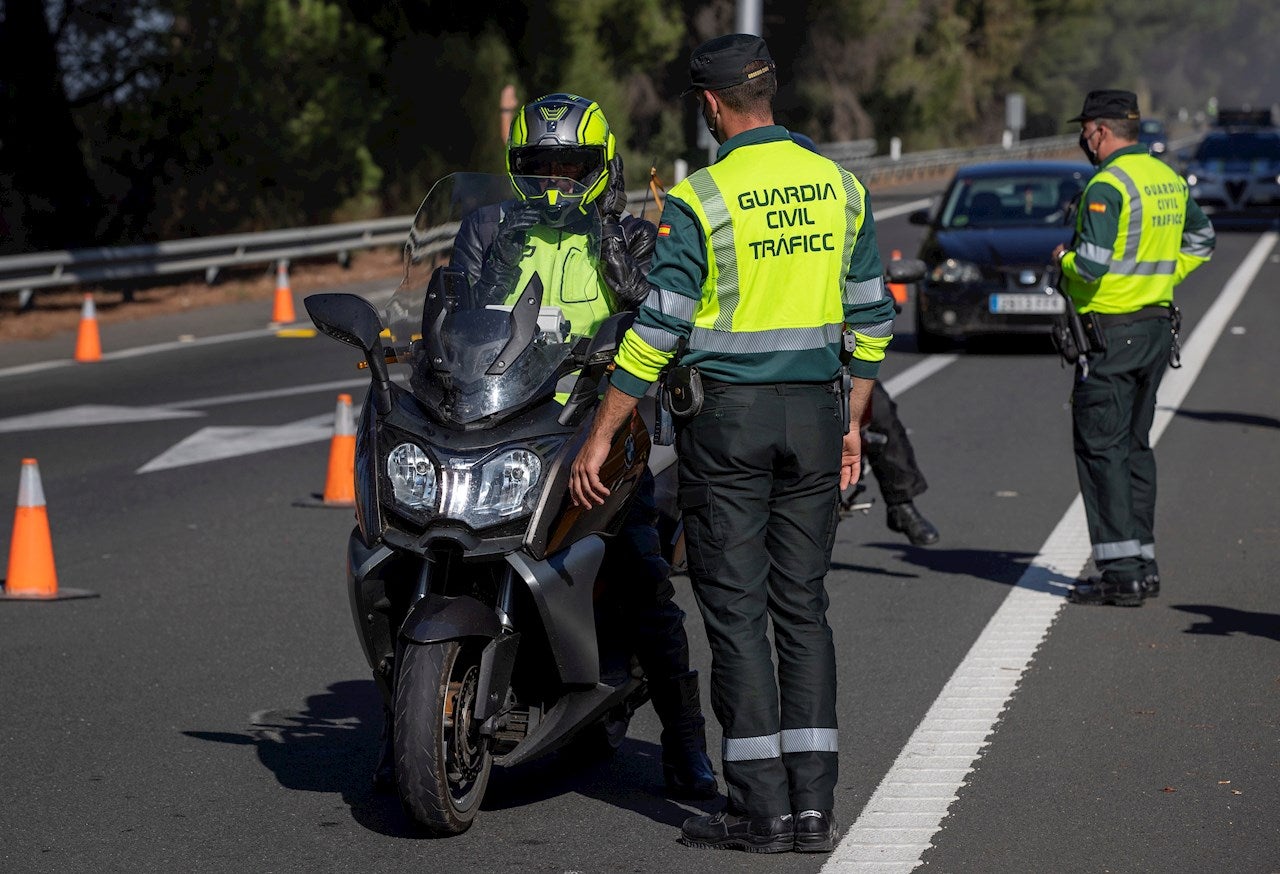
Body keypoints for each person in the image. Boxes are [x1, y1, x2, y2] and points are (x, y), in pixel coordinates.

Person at [568, 34, 896, 854]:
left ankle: (758, 809)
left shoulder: (701, 198)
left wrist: (602, 434)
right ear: (769, 94)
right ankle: (814, 809)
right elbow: (873, 321)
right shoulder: (841, 188)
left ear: (711, 106)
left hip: (729, 429)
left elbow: (656, 332)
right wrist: (853, 421)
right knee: (804, 609)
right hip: (817, 420)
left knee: (738, 613)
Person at [378, 93, 718, 801]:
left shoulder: (629, 234)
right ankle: (403, 731)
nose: (557, 180)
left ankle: (687, 746)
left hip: (594, 421)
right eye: (540, 166)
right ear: (517, 168)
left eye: (572, 166)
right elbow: (451, 310)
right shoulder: (488, 227)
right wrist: (413, 347)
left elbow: (658, 316)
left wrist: (623, 269)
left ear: (599, 167)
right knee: (407, 538)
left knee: (640, 572)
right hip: (499, 413)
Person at [1051, 89, 1214, 607]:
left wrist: (1064, 260)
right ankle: (1143, 562)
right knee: (1136, 446)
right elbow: (1203, 241)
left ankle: (1121, 573)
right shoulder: (1166, 178)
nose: (1083, 139)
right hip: (1154, 328)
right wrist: (1160, 281)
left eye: (1085, 131)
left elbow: (1092, 265)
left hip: (1112, 331)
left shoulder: (1107, 186)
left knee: (1102, 447)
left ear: (1099, 131)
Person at [789, 133, 939, 547]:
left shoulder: (836, 220)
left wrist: (878, 295)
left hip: (836, 360)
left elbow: (866, 278)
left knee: (882, 413)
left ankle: (902, 504)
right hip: (777, 364)